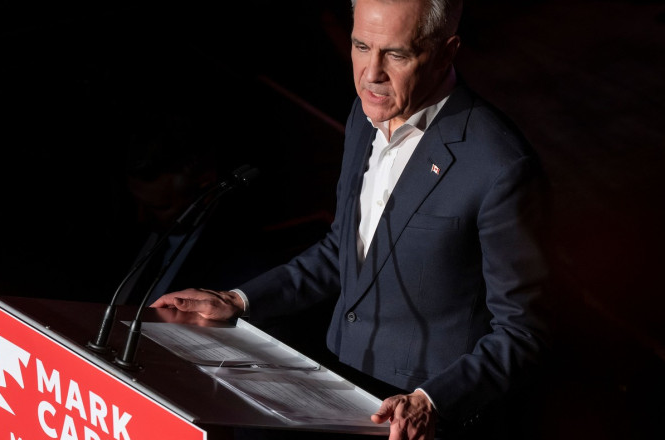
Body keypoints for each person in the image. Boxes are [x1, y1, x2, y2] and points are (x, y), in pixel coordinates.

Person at [152, 0, 551, 438]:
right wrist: (238, 301)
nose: (371, 73)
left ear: (446, 52)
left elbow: (521, 330)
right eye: (361, 47)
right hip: (340, 390)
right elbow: (341, 252)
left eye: (395, 54)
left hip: (426, 421)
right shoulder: (364, 115)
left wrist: (431, 401)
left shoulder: (499, 164)